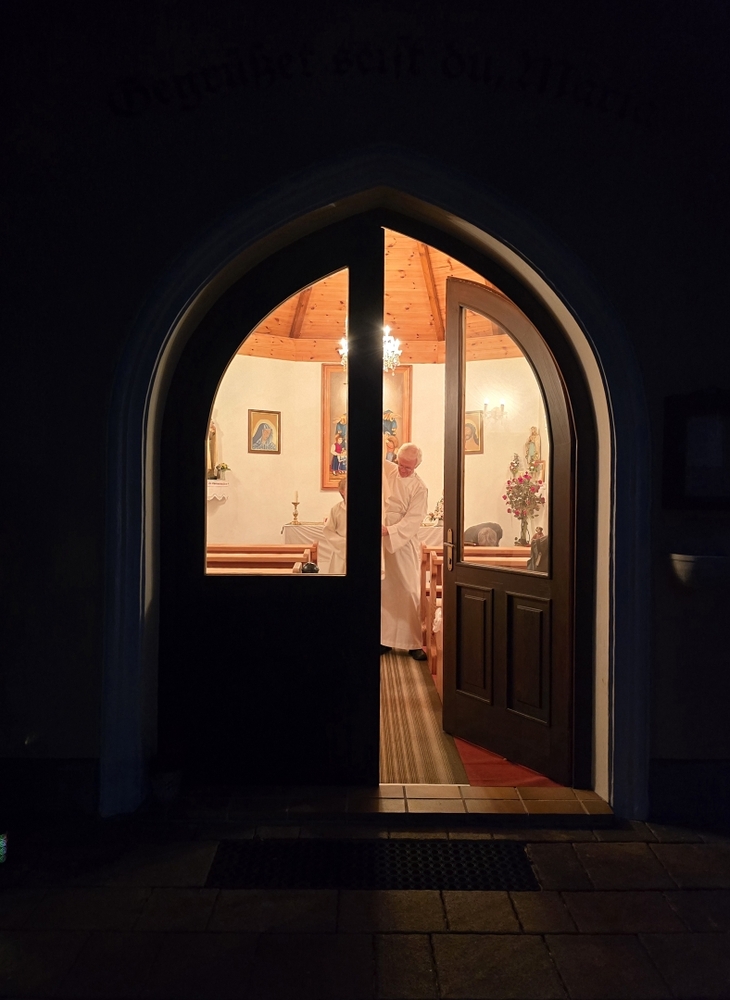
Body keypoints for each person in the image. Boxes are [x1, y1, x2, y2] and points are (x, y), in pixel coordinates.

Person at [380, 442, 429, 660]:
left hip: (402, 540)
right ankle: (384, 640)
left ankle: (412, 643)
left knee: (409, 590)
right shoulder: (389, 470)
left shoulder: (420, 488)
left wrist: (389, 530)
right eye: (400, 464)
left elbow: (413, 520)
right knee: (385, 589)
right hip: (382, 540)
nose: (402, 470)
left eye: (408, 467)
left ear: (416, 466)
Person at [319, 479, 347, 574]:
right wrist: (344, 543)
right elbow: (328, 531)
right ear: (342, 491)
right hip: (341, 552)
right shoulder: (336, 510)